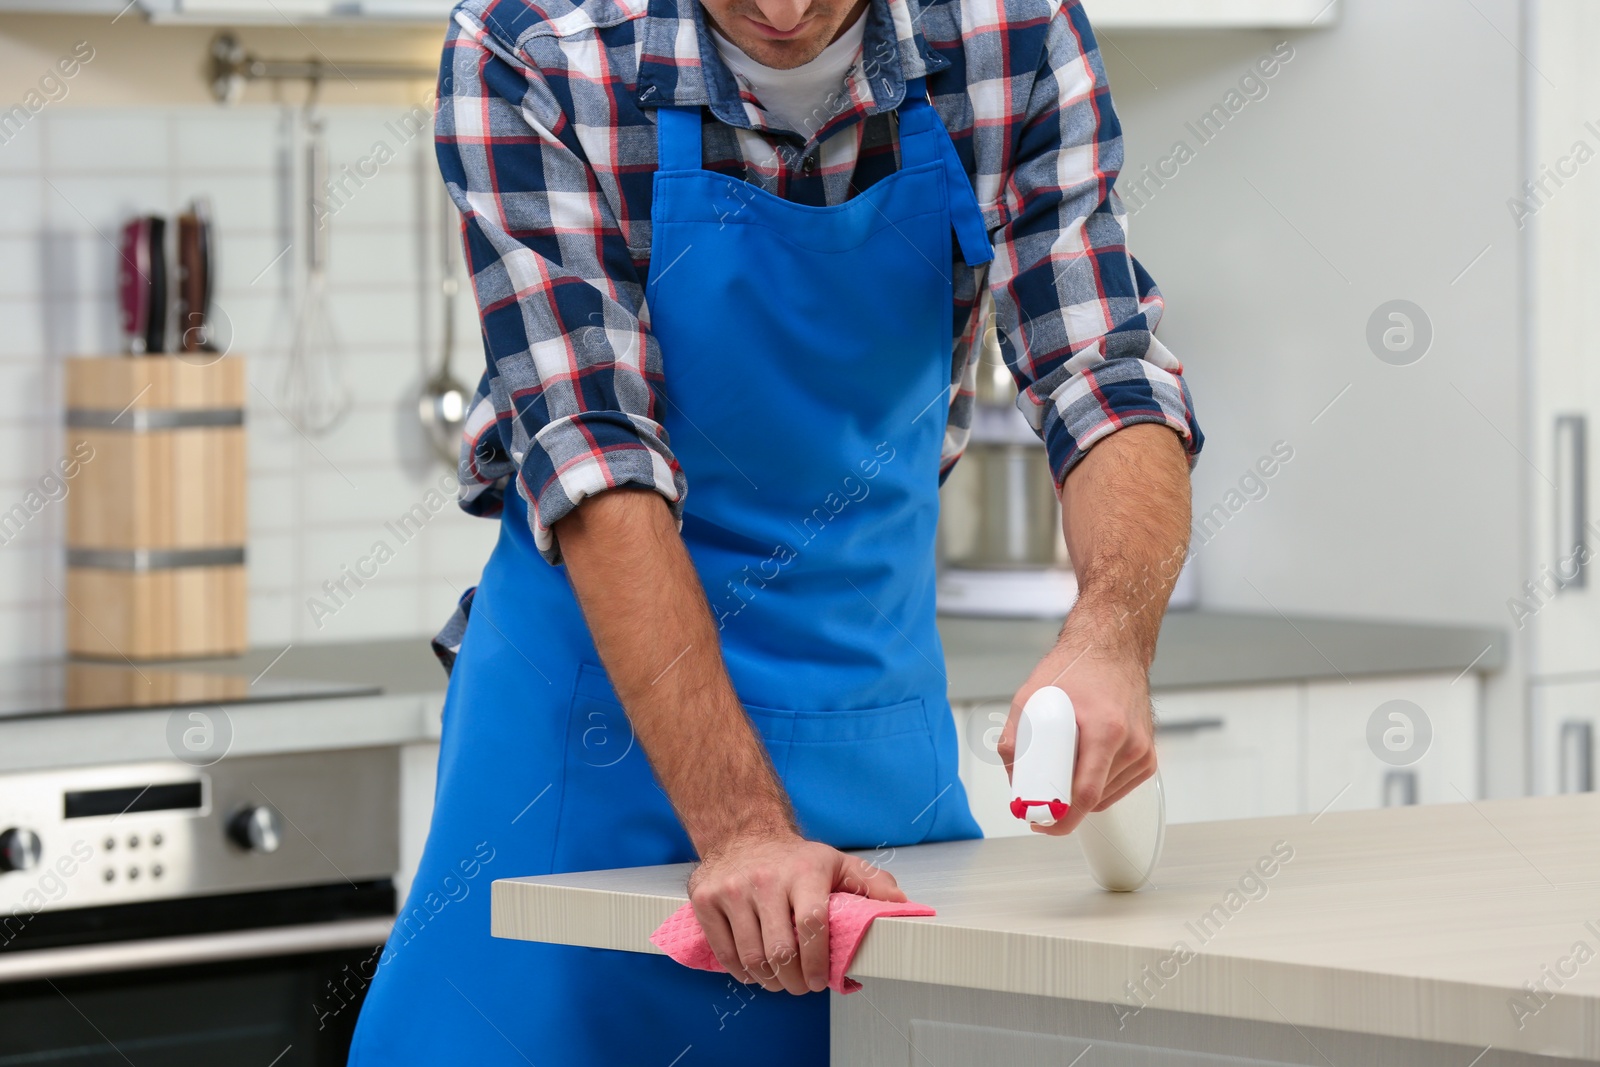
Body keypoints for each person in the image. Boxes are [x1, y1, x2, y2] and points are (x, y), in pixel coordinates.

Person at [348, 0, 1202, 1058]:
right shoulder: (534, 44)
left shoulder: (1010, 28)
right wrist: (742, 825)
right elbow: (593, 451)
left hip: (870, 723)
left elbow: (1097, 363)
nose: (788, 13)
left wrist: (1110, 631)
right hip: (585, 754)